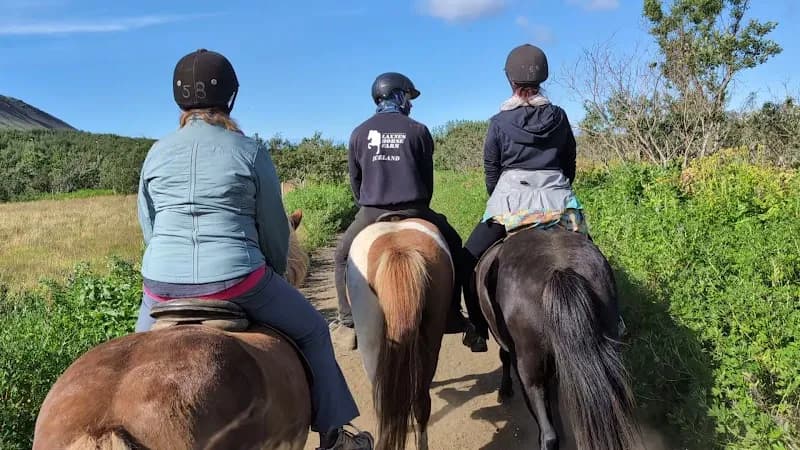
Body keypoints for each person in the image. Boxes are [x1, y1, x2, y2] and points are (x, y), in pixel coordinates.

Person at [134, 48, 373, 450]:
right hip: (236, 280)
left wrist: (168, 271)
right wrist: (276, 270)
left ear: (179, 100)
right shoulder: (248, 151)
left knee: (132, 356)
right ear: (230, 97)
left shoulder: (156, 153)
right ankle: (334, 436)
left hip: (160, 286)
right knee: (315, 330)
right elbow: (275, 231)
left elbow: (150, 225)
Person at [330, 72, 486, 352]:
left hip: (371, 210)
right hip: (415, 208)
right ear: (399, 95)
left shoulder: (358, 133)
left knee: (341, 257)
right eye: (409, 97)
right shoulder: (418, 130)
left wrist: (368, 203)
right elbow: (427, 181)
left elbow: (356, 181)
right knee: (454, 247)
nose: (411, 104)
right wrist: (418, 203)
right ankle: (452, 313)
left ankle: (348, 323)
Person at [460, 44, 591, 345]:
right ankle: (614, 319)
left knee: (467, 260)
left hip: (511, 202)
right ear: (542, 78)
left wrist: (503, 201)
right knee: (593, 255)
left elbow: (491, 171)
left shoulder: (498, 122)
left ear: (511, 81)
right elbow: (569, 162)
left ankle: (478, 330)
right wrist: (556, 188)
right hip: (559, 201)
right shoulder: (559, 117)